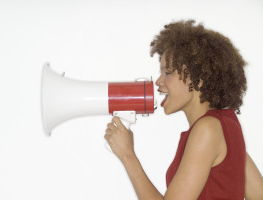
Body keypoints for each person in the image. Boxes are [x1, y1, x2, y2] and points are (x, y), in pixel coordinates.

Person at [104, 20, 263, 200]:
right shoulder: (227, 126)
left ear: (198, 78)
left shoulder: (207, 130)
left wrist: (127, 155)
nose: (158, 81)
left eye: (168, 72)